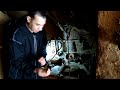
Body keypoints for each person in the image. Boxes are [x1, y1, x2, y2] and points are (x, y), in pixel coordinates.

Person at [7, 11, 51, 79]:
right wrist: (35, 70)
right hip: (19, 76)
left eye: (43, 25)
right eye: (37, 25)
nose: (41, 29)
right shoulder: (17, 34)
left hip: (36, 75)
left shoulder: (41, 32)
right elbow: (17, 61)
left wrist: (44, 63)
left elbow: (42, 50)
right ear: (29, 19)